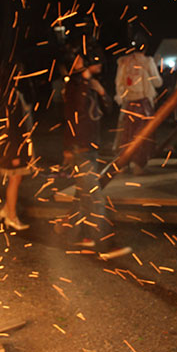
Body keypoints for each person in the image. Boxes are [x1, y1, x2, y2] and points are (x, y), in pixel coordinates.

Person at [59, 50, 110, 242]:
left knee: (82, 195)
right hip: (80, 148)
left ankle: (68, 231)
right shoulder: (75, 86)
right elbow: (71, 118)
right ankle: (101, 241)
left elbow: (107, 109)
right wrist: (68, 148)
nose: (99, 63)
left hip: (90, 145)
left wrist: (101, 91)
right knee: (94, 197)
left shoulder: (91, 85)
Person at [114, 43, 162, 175]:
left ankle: (123, 163)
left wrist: (121, 97)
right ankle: (137, 164)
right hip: (143, 103)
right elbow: (158, 82)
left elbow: (119, 83)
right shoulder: (147, 61)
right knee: (142, 135)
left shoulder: (124, 61)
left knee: (126, 135)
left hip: (128, 103)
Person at [0, 73, 34, 231]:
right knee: (15, 179)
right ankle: (11, 216)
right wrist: (15, 153)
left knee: (17, 178)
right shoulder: (9, 97)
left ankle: (6, 209)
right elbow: (12, 128)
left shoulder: (11, 95)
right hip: (13, 148)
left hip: (16, 146)